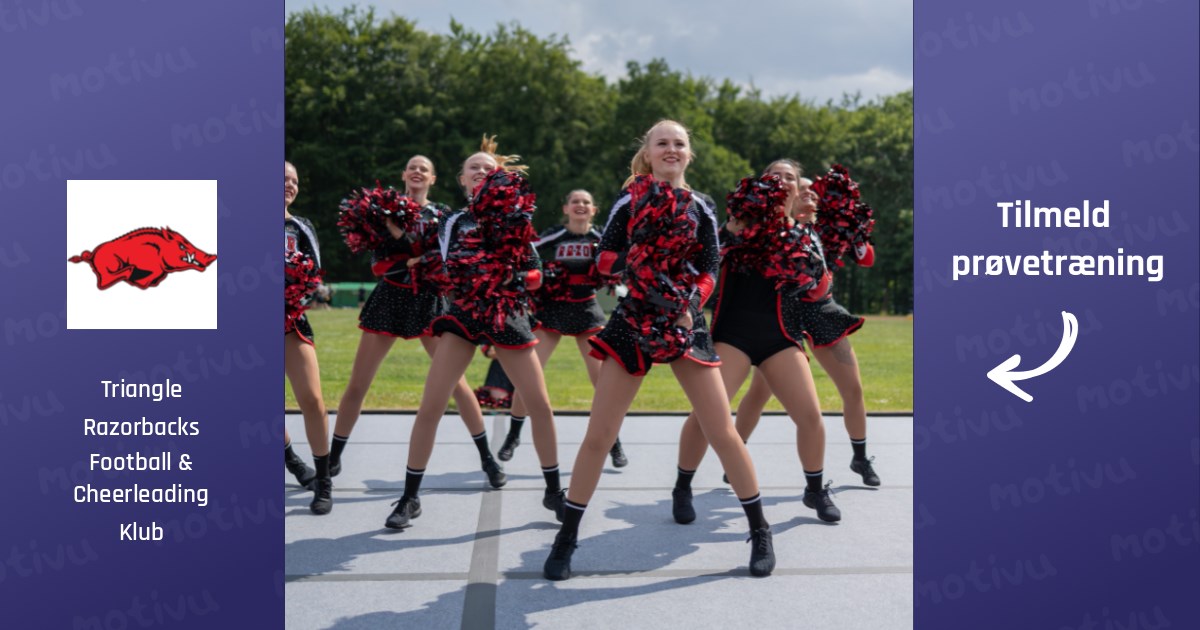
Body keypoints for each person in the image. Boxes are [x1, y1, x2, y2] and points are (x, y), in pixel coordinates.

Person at [542, 120, 774, 581]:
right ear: (647, 154)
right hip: (632, 320)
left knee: (721, 430)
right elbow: (605, 260)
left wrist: (686, 304)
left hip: (686, 322)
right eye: (662, 143)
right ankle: (566, 537)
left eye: (679, 144)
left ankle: (760, 531)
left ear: (689, 155)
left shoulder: (703, 206)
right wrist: (642, 265)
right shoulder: (629, 201)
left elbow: (710, 267)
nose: (671, 149)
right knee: (599, 434)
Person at [384, 136, 565, 530]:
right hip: (465, 313)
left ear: (498, 177)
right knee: (431, 405)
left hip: (507, 314)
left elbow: (535, 273)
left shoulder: (517, 218)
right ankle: (410, 497)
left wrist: (517, 276)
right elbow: (444, 265)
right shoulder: (452, 221)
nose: (481, 172)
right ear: (463, 180)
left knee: (540, 405)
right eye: (473, 168)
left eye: (488, 168)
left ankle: (554, 492)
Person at [673, 160, 843, 530]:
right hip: (732, 335)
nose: (782, 180)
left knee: (811, 417)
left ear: (799, 189)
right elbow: (703, 266)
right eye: (774, 175)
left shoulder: (804, 235)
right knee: (705, 418)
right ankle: (682, 486)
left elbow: (820, 291)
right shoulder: (737, 226)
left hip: (780, 336)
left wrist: (818, 272)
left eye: (790, 177)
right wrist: (730, 233)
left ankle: (814, 488)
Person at [326, 156, 497, 485]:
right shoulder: (382, 211)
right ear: (404, 174)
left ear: (433, 178)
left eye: (424, 168)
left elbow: (445, 262)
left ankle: (487, 458)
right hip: (389, 298)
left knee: (456, 386)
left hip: (430, 301)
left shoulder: (444, 215)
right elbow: (380, 267)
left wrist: (408, 249)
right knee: (358, 384)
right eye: (412, 167)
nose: (417, 171)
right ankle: (332, 458)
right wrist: (406, 247)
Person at [726, 170, 879, 487]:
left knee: (852, 388)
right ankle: (734, 457)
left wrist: (858, 233)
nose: (809, 193)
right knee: (758, 394)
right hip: (781, 315)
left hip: (822, 313)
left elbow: (866, 259)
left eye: (813, 190)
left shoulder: (826, 229)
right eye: (802, 189)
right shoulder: (769, 228)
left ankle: (860, 457)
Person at [494, 190, 628, 468]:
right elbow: (525, 253)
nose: (580, 205)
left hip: (586, 309)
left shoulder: (603, 239)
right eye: (575, 201)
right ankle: (514, 436)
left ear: (594, 210)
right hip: (552, 310)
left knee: (603, 382)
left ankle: (614, 442)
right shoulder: (553, 236)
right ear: (566, 208)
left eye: (586, 202)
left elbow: (622, 265)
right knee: (527, 377)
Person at [283, 160, 333, 515]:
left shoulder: (301, 226)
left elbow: (314, 276)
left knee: (312, 400)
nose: (289, 184)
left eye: (294, 180)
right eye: (282, 178)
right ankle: (293, 462)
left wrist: (305, 295)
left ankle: (324, 478)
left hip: (290, 321)